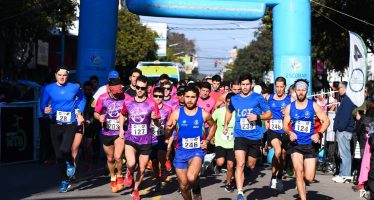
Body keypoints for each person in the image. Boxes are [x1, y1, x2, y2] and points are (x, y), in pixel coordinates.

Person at [224, 74, 272, 200]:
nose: (245, 87)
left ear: (251, 85)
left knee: (250, 165)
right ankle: (240, 192)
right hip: (240, 135)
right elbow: (229, 111)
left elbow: (269, 114)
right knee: (239, 163)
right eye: (243, 84)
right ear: (239, 85)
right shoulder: (234, 99)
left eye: (247, 84)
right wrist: (225, 124)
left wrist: (258, 117)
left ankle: (243, 173)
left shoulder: (258, 98)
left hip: (255, 136)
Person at [166, 85, 217, 200]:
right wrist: (168, 129)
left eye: (193, 97)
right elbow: (167, 135)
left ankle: (196, 187)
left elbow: (214, 125)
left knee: (192, 177)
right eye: (187, 97)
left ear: (197, 98)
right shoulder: (176, 114)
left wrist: (207, 140)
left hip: (197, 151)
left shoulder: (204, 114)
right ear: (183, 97)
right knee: (183, 186)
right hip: (181, 151)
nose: (189, 100)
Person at [40, 66, 86, 193]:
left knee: (65, 149)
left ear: (68, 76)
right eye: (59, 75)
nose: (62, 77)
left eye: (64, 75)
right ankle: (64, 180)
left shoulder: (74, 87)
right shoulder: (49, 88)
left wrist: (79, 112)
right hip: (55, 124)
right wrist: (45, 110)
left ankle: (71, 162)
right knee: (59, 156)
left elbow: (82, 99)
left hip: (70, 123)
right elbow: (42, 104)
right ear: (55, 75)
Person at [283, 79, 330, 200]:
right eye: (298, 90)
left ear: (306, 91)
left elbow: (326, 121)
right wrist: (289, 132)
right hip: (296, 145)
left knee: (309, 177)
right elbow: (285, 125)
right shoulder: (290, 107)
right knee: (298, 172)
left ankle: (301, 183)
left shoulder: (313, 105)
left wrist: (319, 134)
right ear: (295, 91)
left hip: (310, 145)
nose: (301, 92)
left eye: (303, 90)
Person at [119, 75, 160, 200]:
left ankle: (136, 189)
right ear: (135, 86)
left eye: (142, 88)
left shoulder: (152, 104)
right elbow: (122, 115)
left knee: (142, 169)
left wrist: (155, 119)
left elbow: (157, 123)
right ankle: (129, 172)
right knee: (131, 163)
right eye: (138, 87)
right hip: (131, 138)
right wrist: (121, 128)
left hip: (146, 140)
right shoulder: (128, 102)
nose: (140, 90)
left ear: (147, 88)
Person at [94, 78, 126, 193]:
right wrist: (99, 117)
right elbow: (96, 113)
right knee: (110, 158)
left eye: (119, 92)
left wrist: (124, 118)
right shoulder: (102, 98)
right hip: (107, 132)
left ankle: (120, 175)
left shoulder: (125, 97)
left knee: (118, 156)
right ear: (110, 91)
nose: (118, 95)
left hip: (119, 132)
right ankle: (112, 177)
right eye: (115, 93)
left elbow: (132, 111)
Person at [265, 77, 293, 191]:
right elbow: (264, 111)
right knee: (277, 151)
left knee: (282, 155)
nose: (279, 89)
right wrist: (266, 121)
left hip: (285, 130)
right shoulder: (269, 97)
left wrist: (288, 113)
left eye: (282, 87)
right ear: (275, 86)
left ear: (285, 87)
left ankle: (279, 177)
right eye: (277, 87)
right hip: (273, 130)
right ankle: (273, 177)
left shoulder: (290, 99)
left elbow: (295, 113)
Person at [332, 81, 356, 183]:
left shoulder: (347, 100)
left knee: (344, 154)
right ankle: (342, 173)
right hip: (343, 130)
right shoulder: (346, 99)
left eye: (340, 88)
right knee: (343, 154)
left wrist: (340, 128)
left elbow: (345, 116)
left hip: (344, 130)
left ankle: (345, 175)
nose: (339, 90)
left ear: (345, 88)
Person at [150, 87, 173, 191]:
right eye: (156, 96)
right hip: (149, 138)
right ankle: (158, 180)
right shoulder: (147, 107)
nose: (158, 98)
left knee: (161, 157)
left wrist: (169, 137)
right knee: (154, 162)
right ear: (152, 96)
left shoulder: (167, 109)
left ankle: (163, 168)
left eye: (160, 96)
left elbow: (170, 125)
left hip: (162, 138)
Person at [212, 92, 236, 192]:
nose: (229, 104)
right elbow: (211, 123)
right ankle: (216, 163)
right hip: (220, 141)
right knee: (221, 162)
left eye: (232, 103)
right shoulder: (219, 111)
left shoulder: (238, 112)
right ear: (224, 101)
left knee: (230, 165)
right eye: (228, 102)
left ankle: (228, 182)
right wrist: (212, 136)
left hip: (233, 142)